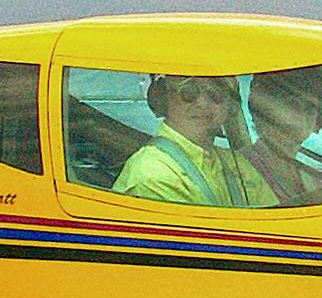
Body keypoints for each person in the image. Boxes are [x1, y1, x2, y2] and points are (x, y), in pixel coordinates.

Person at [111, 74, 272, 206]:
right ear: (163, 98)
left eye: (215, 94)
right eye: (188, 93)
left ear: (228, 105)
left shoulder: (236, 164)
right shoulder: (153, 173)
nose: (202, 104)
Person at [242, 64, 322, 205]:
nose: (300, 117)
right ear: (262, 110)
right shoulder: (235, 170)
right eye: (291, 104)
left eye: (310, 108)